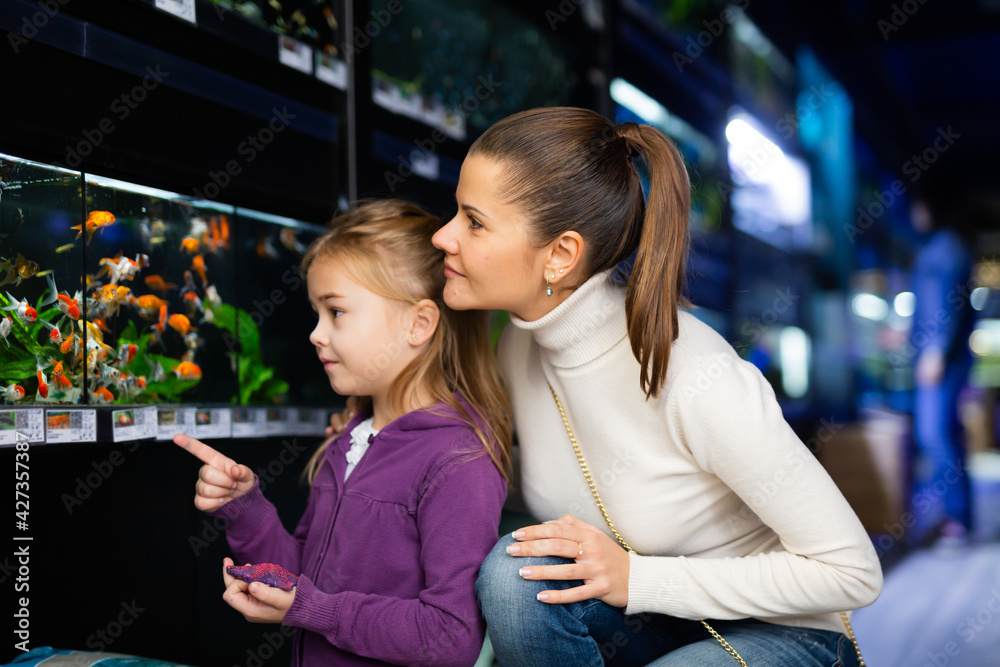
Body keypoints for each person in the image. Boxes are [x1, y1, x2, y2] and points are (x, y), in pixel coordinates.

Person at [328, 107, 882, 665]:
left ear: (561, 256)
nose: (443, 236)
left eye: (474, 222)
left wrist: (638, 579)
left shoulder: (692, 373)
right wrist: (388, 447)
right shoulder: (519, 348)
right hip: (655, 621)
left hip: (786, 634)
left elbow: (850, 571)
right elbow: (522, 480)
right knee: (514, 573)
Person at [174, 200, 511, 666]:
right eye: (316, 313)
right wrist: (246, 508)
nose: (315, 333)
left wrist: (317, 610)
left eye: (335, 312)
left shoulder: (457, 462)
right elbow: (304, 581)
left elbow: (450, 637)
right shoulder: (349, 439)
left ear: (418, 324)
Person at [908, 191, 976, 546]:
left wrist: (933, 350)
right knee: (946, 435)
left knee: (934, 436)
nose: (914, 214)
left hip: (942, 361)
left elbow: (943, 305)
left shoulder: (943, 250)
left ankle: (954, 518)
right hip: (948, 358)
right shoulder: (950, 247)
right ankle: (958, 517)